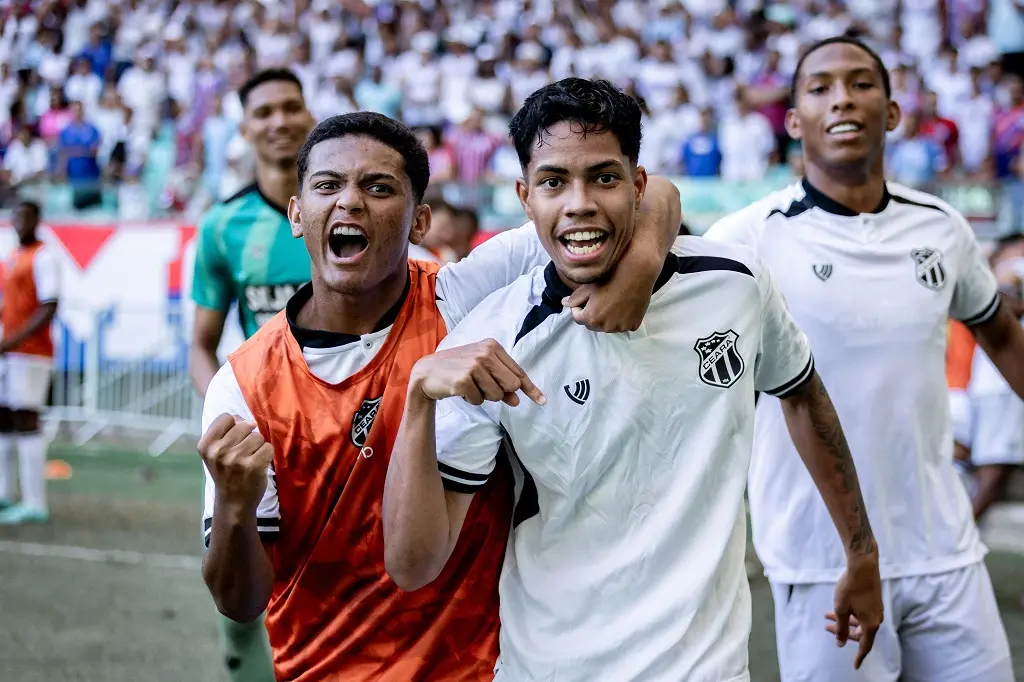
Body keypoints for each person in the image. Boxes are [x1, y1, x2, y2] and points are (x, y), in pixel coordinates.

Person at [381, 78, 883, 682]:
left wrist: (861, 551)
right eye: (553, 182)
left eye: (605, 177)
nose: (579, 202)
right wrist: (416, 401)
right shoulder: (490, 339)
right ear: (524, 197)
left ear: (638, 185)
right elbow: (413, 564)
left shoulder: (735, 285)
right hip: (547, 670)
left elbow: (801, 394)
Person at [197, 110, 682, 681]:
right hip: (323, 669)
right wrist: (234, 505)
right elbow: (240, 601)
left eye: (379, 188)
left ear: (420, 220)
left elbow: (651, 196)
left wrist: (642, 264)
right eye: (328, 186)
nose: (350, 203)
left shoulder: (464, 297)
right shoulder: (246, 385)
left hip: (481, 666)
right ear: (297, 215)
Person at [704, 36, 1023, 682]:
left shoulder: (942, 227)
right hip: (819, 559)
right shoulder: (746, 239)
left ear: (893, 111)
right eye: (819, 88)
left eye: (860, 83)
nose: (842, 98)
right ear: (793, 123)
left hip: (944, 548)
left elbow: (1003, 336)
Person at [188, 68, 316, 682]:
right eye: (263, 112)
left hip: (350, 426)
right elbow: (200, 344)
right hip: (261, 430)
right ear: (243, 129)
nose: (280, 121)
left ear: (310, 114)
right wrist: (225, 418)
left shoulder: (343, 210)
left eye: (291, 107)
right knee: (240, 597)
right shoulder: (221, 227)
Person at [0, 201, 60, 525]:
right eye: (15, 215)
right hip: (11, 353)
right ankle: (5, 493)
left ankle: (35, 502)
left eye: (24, 216)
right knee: (6, 418)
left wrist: (11, 341)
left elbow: (49, 306)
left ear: (37, 220)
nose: (18, 221)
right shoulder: (12, 258)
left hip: (32, 352)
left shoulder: (44, 257)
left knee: (26, 418)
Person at [963, 235, 1024, 520]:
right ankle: (961, 535)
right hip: (1000, 386)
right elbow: (1003, 305)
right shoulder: (1006, 273)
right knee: (994, 467)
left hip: (997, 384)